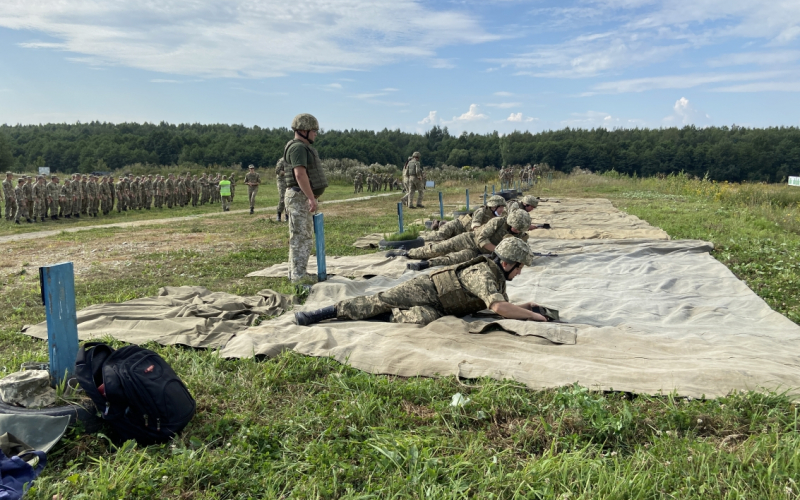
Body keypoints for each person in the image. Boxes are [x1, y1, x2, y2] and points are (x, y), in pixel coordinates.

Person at [295, 238, 551, 326]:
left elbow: (502, 303)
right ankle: (322, 313)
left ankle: (376, 316)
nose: (519, 273)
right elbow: (498, 308)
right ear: (506, 263)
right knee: (379, 300)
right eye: (519, 268)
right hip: (426, 288)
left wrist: (528, 306)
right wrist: (534, 317)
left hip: (441, 306)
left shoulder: (496, 277)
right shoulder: (483, 274)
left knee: (420, 319)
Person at [398, 209, 531, 270]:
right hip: (470, 240)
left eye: (520, 229)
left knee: (453, 260)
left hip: (479, 254)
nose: (517, 231)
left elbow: (519, 251)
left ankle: (425, 265)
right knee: (439, 248)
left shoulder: (521, 236)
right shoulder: (497, 222)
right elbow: (482, 238)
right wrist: (498, 251)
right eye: (515, 228)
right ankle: (409, 253)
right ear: (510, 222)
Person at [284, 113, 328, 284]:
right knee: (301, 238)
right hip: (298, 197)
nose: (316, 133)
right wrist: (310, 197)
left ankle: (296, 274)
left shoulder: (302, 147)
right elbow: (300, 174)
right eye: (313, 130)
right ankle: (298, 276)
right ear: (303, 130)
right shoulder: (298, 148)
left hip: (300, 196)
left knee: (301, 237)